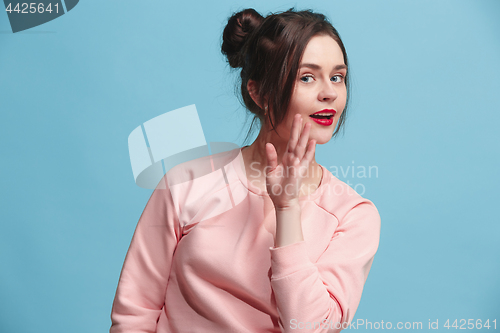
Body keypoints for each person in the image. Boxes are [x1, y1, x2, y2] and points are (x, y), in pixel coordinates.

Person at [110, 7, 381, 333]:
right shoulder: (185, 184)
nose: (330, 93)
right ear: (259, 92)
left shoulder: (353, 215)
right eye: (307, 77)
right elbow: (133, 316)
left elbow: (310, 328)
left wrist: (288, 209)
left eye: (337, 77)